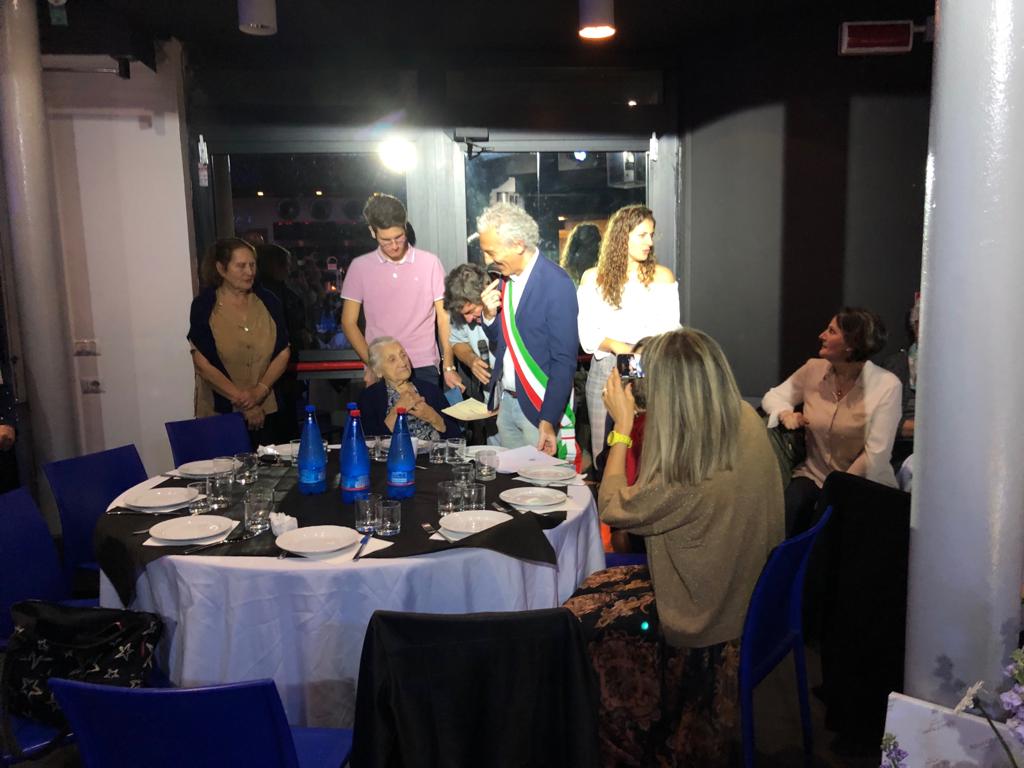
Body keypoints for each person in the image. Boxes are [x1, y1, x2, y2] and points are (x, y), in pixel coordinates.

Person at [566, 328, 784, 766]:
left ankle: (616, 743)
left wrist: (622, 429)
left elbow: (612, 505)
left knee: (574, 620)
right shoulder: (744, 417)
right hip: (748, 601)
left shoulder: (687, 476)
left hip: (704, 623)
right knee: (594, 587)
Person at [762, 307, 902, 535]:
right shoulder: (813, 369)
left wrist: (835, 490)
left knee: (832, 525)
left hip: (861, 482)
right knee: (791, 506)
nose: (822, 335)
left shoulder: (887, 385)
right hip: (813, 475)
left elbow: (875, 456)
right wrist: (785, 414)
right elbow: (774, 396)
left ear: (851, 344)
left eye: (831, 331)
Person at [577, 204, 680, 458]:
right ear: (622, 237)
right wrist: (620, 347)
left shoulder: (662, 277)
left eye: (651, 235)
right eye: (642, 235)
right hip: (606, 369)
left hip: (649, 368)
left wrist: (635, 356)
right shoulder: (593, 278)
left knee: (646, 452)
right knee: (603, 453)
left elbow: (670, 333)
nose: (650, 242)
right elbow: (587, 336)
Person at [477, 203, 579, 459]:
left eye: (491, 252)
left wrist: (549, 418)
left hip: (539, 407)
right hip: (508, 404)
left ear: (518, 245)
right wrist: (488, 316)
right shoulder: (505, 280)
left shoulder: (557, 283)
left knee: (541, 481)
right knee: (510, 480)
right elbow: (503, 341)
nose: (487, 261)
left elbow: (564, 361)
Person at [340, 194, 454, 388]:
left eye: (399, 237)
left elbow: (444, 318)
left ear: (405, 227)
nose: (394, 246)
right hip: (382, 367)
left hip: (423, 364)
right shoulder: (360, 267)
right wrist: (373, 364)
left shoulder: (430, 263)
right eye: (386, 240)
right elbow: (348, 322)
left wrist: (448, 365)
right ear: (372, 232)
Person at [188, 237, 290, 446]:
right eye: (241, 266)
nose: (249, 272)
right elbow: (203, 364)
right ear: (221, 269)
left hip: (267, 411)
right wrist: (247, 404)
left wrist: (259, 392)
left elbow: (283, 352)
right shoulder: (204, 306)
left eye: (252, 265)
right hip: (219, 415)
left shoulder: (268, 302)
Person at [357, 337, 461, 441]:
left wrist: (433, 417)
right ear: (378, 371)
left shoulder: (430, 390)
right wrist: (397, 410)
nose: (403, 363)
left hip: (434, 450)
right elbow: (369, 441)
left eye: (403, 355)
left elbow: (457, 438)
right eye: (392, 360)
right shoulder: (370, 397)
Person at [443, 263, 499, 445]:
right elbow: (457, 341)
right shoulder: (461, 309)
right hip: (490, 394)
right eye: (463, 314)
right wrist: (471, 359)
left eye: (470, 311)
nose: (467, 320)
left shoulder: (505, 303)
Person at [883, 294, 920, 467]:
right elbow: (885, 423)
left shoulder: (958, 368)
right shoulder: (896, 365)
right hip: (903, 454)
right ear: (916, 327)